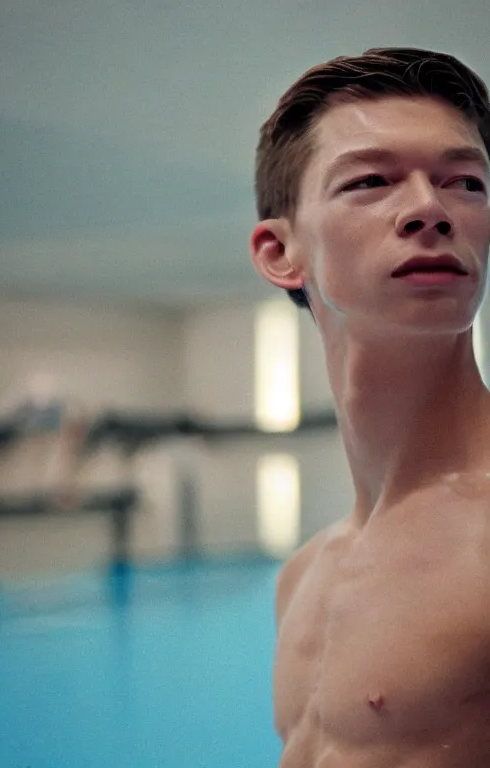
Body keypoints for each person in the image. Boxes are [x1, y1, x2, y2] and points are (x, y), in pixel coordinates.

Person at [249, 47, 490, 766]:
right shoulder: (302, 578)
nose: (429, 209)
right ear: (279, 252)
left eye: (467, 184)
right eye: (371, 181)